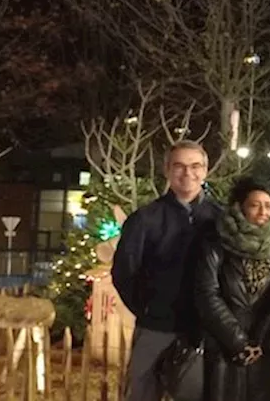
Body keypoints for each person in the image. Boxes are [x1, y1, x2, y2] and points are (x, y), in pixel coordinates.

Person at [112, 140, 221, 401]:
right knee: (144, 392)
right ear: (167, 170)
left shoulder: (220, 218)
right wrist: (147, 307)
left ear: (205, 171)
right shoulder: (146, 218)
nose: (187, 173)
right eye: (179, 166)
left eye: (195, 166)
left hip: (203, 330)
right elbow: (124, 271)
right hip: (156, 327)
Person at [194, 177, 270, 401]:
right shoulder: (216, 241)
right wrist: (238, 341)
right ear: (240, 207)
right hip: (223, 340)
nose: (262, 212)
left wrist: (258, 339)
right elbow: (207, 293)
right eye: (255, 205)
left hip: (263, 343)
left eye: (267, 205)